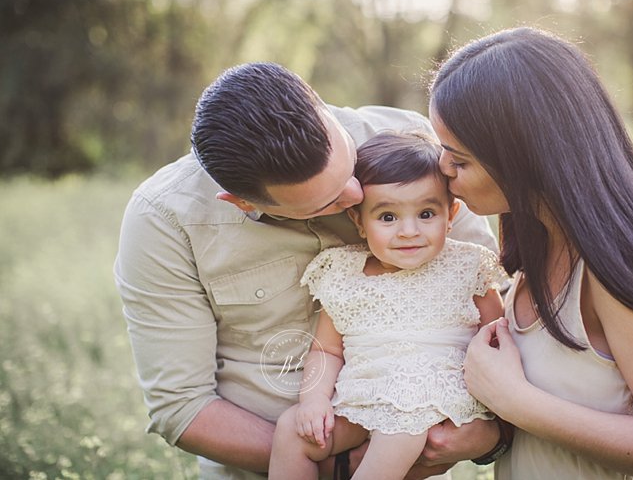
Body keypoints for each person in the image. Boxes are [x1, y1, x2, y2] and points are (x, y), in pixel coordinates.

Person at [114, 62, 506, 479]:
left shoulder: (414, 146)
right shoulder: (164, 218)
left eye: (347, 170)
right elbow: (182, 408)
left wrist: (490, 436)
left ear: (318, 104)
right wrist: (341, 465)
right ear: (243, 203)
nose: (354, 194)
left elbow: (500, 321)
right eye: (329, 203)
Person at [427, 27, 633, 480]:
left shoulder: (618, 260)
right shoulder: (541, 240)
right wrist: (492, 437)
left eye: (459, 158)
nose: (442, 167)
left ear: (523, 155)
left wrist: (515, 402)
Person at [268, 132, 507, 479]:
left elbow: (497, 338)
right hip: (362, 398)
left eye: (426, 213)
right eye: (388, 217)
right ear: (359, 222)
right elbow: (327, 351)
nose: (409, 231)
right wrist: (314, 400)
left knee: (403, 422)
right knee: (292, 428)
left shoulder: (467, 267)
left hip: (433, 400)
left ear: (451, 214)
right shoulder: (342, 273)